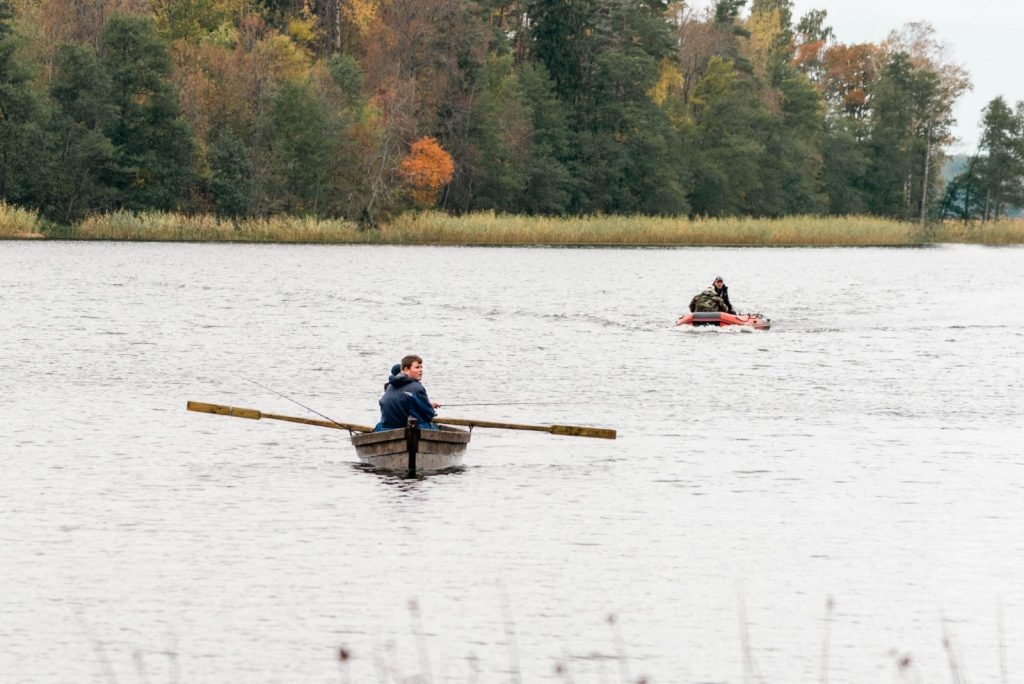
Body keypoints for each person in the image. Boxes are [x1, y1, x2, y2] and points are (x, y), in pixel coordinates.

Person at [375, 355, 441, 431]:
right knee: (435, 428)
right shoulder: (417, 387)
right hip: (410, 430)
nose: (421, 370)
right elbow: (429, 414)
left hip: (386, 429)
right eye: (417, 367)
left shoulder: (390, 386)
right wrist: (430, 408)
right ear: (406, 369)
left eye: (421, 367)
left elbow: (403, 401)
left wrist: (428, 405)